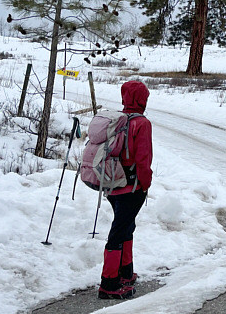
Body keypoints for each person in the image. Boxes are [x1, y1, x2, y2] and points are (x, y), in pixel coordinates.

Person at [98, 79, 153, 300]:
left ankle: (126, 272)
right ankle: (109, 283)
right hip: (132, 186)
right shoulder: (142, 123)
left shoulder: (117, 120)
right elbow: (143, 158)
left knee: (126, 225)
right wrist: (145, 183)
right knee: (119, 231)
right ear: (143, 99)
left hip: (112, 183)